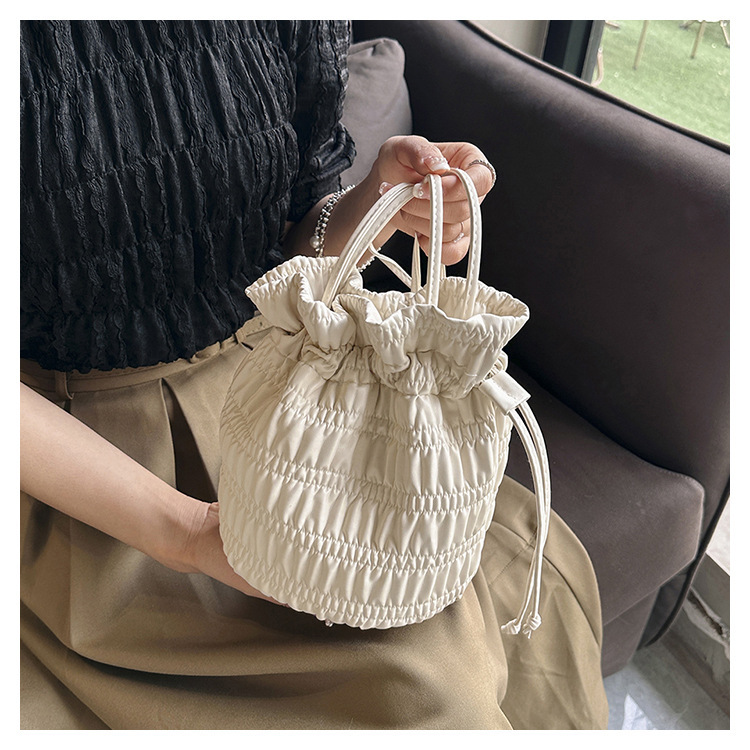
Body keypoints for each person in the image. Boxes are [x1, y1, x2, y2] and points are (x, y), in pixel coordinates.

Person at [20, 20, 608, 729]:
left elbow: (293, 249)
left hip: (279, 391)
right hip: (76, 465)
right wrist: (190, 534)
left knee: (517, 602)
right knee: (430, 695)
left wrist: (376, 201)